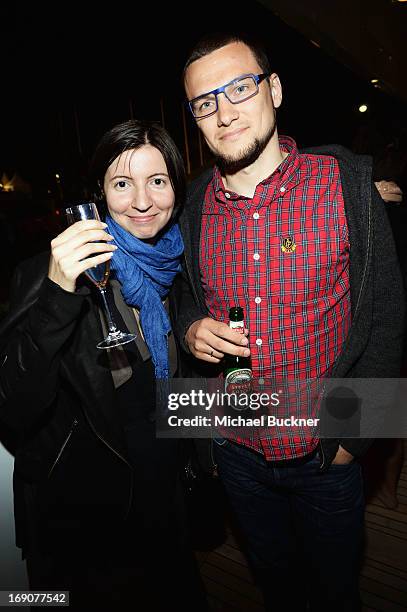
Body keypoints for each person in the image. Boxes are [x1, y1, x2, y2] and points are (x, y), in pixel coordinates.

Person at [172, 33, 405, 612]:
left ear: (273, 89)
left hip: (326, 453)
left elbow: (386, 316)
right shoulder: (194, 206)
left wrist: (352, 442)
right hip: (236, 450)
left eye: (239, 88)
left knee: (335, 591)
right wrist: (190, 326)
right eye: (205, 103)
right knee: (275, 582)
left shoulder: (345, 186)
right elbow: (181, 294)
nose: (223, 112)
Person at [0, 120, 207, 610]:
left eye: (157, 181)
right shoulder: (51, 272)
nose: (141, 201)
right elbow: (12, 409)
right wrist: (55, 295)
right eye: (121, 183)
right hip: (88, 525)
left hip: (165, 505)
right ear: (98, 193)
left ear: (177, 187)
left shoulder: (177, 265)